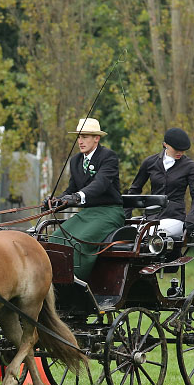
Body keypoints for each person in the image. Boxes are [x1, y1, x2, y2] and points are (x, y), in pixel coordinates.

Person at [44, 117, 124, 280]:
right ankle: (55, 280)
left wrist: (78, 197)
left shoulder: (108, 157)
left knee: (78, 241)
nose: (80, 141)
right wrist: (56, 201)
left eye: (85, 137)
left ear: (96, 138)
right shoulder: (75, 161)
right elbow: (72, 189)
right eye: (79, 137)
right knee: (56, 238)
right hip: (87, 214)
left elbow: (100, 183)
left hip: (109, 213)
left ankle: (75, 281)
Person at [127, 127, 194, 239]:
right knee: (127, 234)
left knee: (151, 234)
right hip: (151, 217)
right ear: (165, 144)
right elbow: (135, 190)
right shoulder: (150, 162)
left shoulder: (189, 166)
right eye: (176, 149)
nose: (180, 152)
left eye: (183, 150)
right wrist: (125, 216)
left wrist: (191, 218)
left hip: (175, 218)